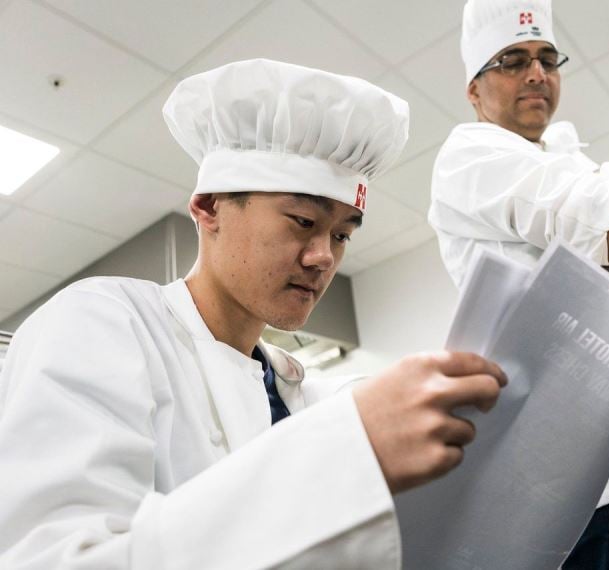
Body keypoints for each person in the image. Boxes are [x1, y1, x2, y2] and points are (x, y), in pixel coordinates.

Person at [0, 59, 507, 569]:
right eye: (302, 220)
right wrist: (347, 457)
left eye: (341, 235)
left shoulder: (298, 396)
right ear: (209, 207)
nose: (324, 257)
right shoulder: (103, 322)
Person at [428, 1, 609, 567]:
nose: (537, 73)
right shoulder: (470, 155)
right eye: (512, 60)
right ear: (474, 90)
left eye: (547, 58)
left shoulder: (562, 162)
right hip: (602, 488)